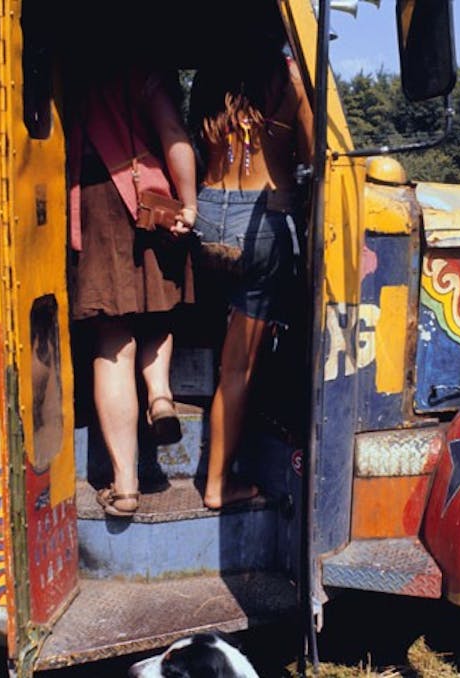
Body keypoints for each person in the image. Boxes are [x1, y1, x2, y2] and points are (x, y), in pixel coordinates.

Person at [189, 8, 313, 509]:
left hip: (208, 218)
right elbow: (314, 155)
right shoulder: (291, 80)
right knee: (238, 368)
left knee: (217, 340)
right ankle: (219, 485)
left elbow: (196, 144)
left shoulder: (206, 81)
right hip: (264, 220)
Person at [67, 60, 198, 517]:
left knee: (112, 339)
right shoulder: (145, 73)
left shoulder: (72, 73)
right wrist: (190, 204)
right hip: (149, 206)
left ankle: (125, 487)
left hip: (93, 202)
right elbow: (173, 135)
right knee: (158, 312)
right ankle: (160, 395)